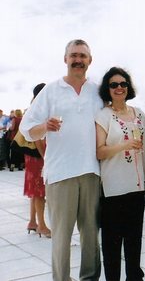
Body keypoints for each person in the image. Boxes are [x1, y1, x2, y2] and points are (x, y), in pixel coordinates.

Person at [20, 39, 103, 281]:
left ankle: (90, 278)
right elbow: (27, 128)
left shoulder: (97, 92)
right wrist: (44, 126)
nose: (78, 60)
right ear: (65, 59)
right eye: (74, 55)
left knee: (90, 236)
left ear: (90, 60)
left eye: (83, 56)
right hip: (60, 174)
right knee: (62, 237)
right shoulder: (51, 91)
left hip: (91, 173)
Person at [96, 67, 145, 281]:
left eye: (123, 84)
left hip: (137, 187)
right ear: (107, 89)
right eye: (114, 84)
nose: (119, 88)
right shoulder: (104, 116)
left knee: (134, 242)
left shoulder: (139, 114)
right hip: (113, 189)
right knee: (112, 246)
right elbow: (99, 151)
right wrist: (124, 145)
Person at [24, 83, 51, 238]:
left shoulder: (31, 108)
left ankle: (33, 221)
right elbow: (38, 139)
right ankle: (41, 225)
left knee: (35, 190)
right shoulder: (39, 110)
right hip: (39, 155)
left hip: (31, 156)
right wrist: (45, 157)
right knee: (40, 191)